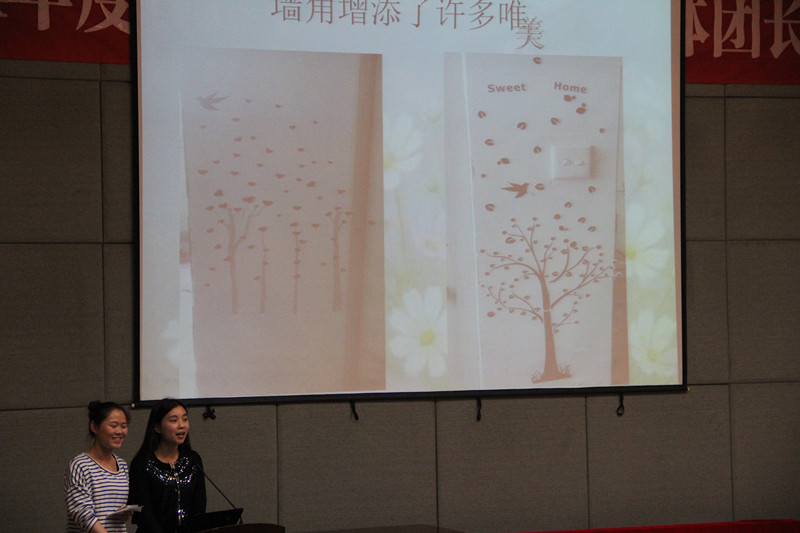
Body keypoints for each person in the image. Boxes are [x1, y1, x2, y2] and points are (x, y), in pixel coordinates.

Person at [128, 398, 206, 532]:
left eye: (185, 419)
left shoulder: (192, 460)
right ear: (157, 427)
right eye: (174, 420)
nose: (181, 425)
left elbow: (199, 506)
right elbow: (145, 513)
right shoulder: (142, 463)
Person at [65, 400, 133, 533]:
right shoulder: (79, 465)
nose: (120, 431)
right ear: (94, 427)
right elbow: (82, 513)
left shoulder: (122, 465)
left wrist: (125, 512)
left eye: (123, 426)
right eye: (113, 426)